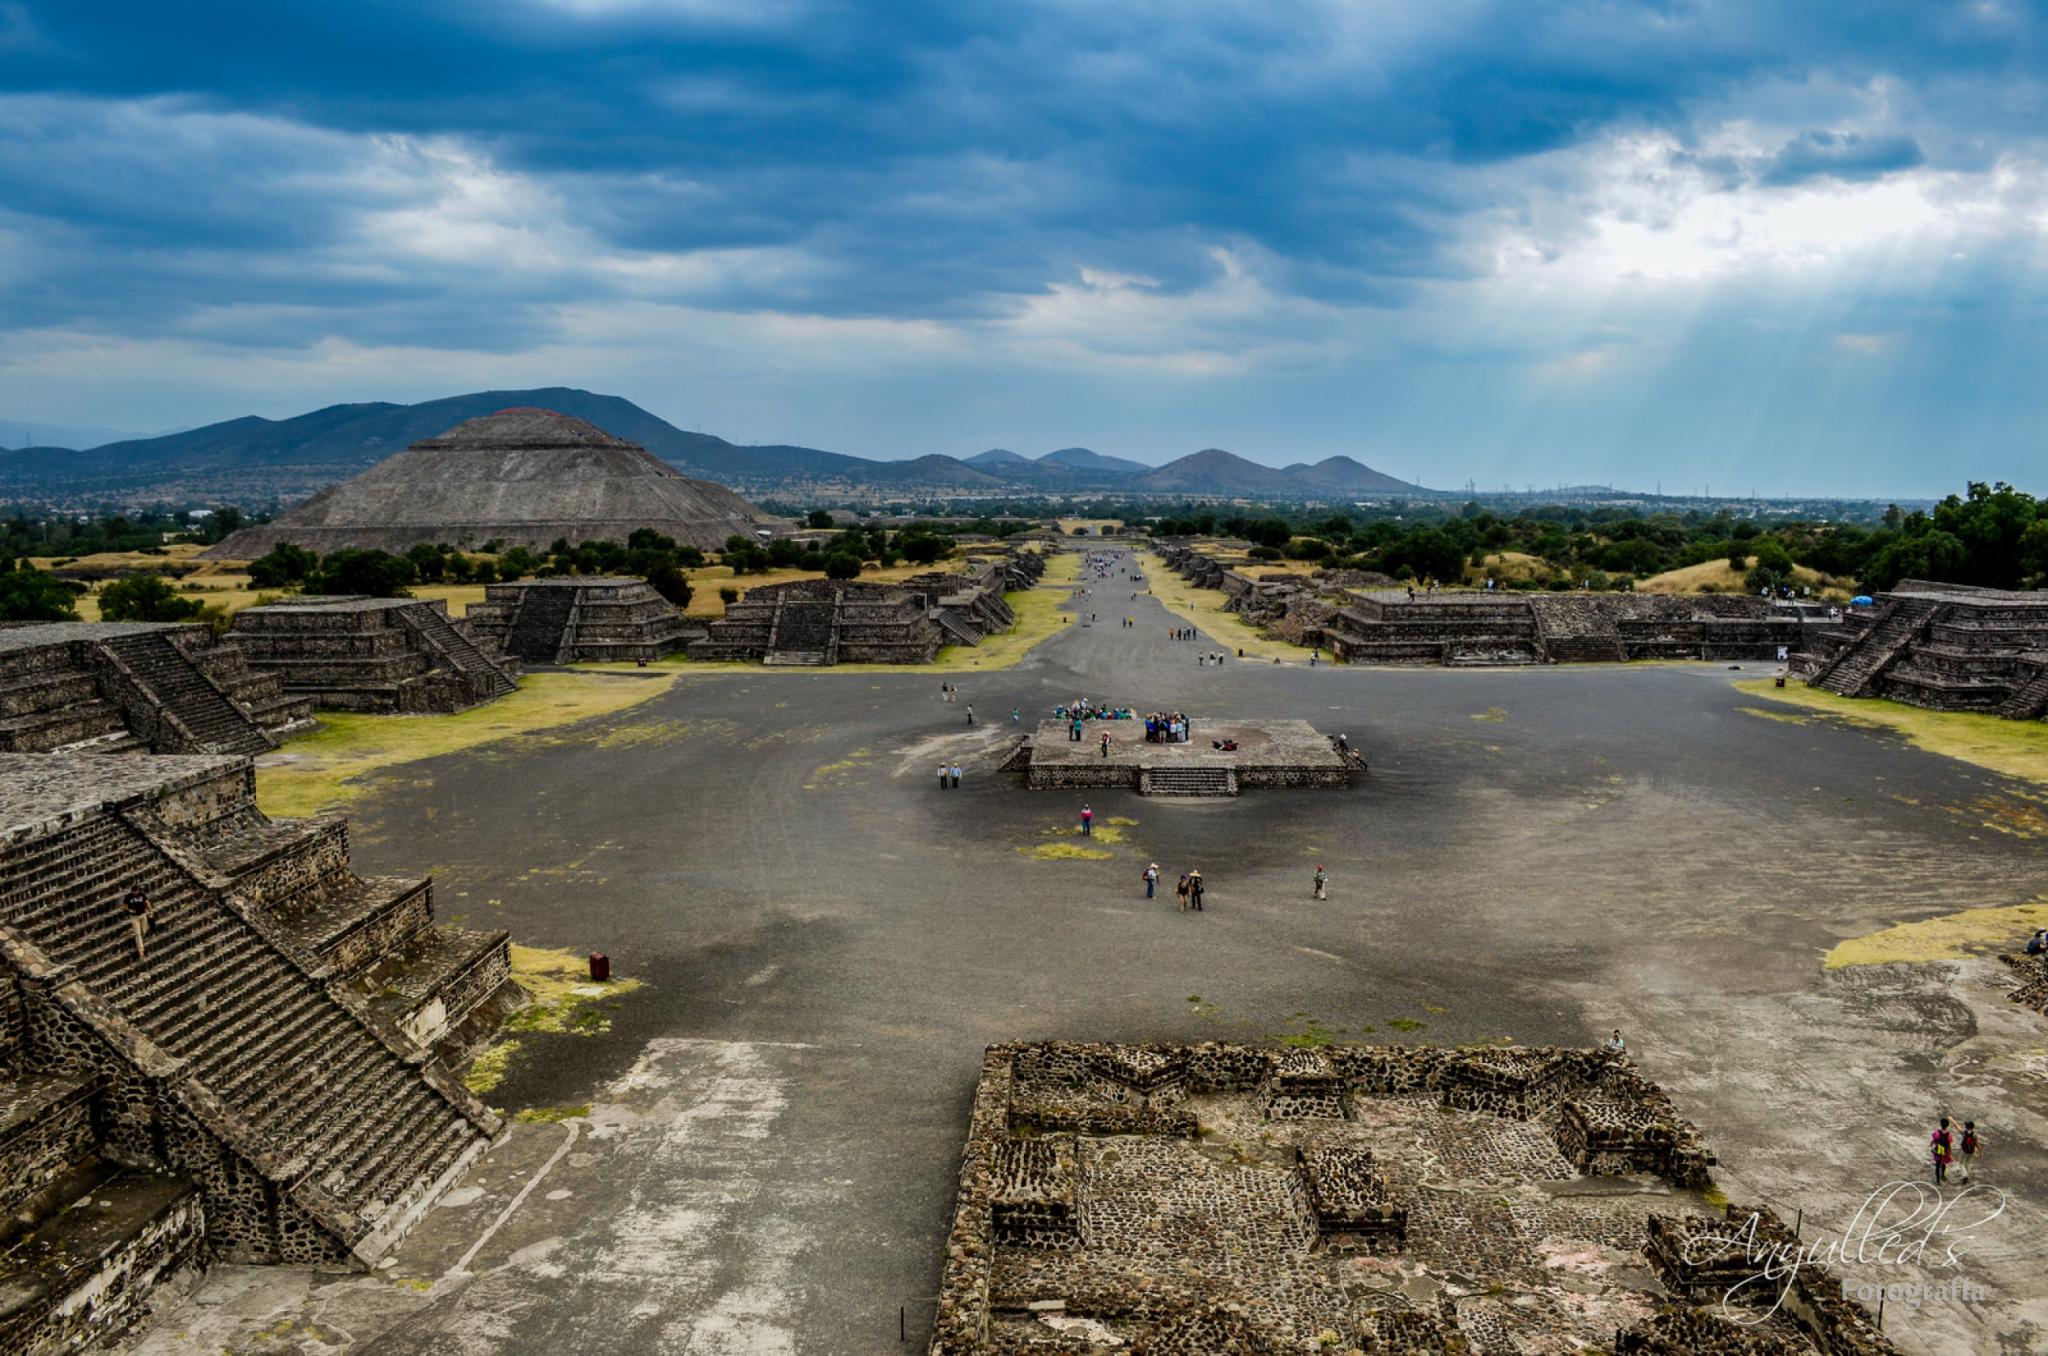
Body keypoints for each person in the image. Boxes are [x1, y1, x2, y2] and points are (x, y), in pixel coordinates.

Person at [123, 884, 153, 960]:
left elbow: (147, 902)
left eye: (137, 891)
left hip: (143, 915)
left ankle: (142, 941)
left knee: (144, 930)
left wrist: (150, 911)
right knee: (137, 934)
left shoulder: (142, 894)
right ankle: (141, 951)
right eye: (135, 891)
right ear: (132, 891)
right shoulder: (128, 897)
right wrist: (129, 910)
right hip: (134, 917)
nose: (136, 892)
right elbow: (125, 905)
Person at [1931, 1116, 1954, 1185]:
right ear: (1947, 1125)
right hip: (1945, 1152)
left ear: (1940, 1124)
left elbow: (1934, 1140)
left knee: (1937, 1165)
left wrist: (1931, 1144)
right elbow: (1949, 1145)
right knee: (1944, 1163)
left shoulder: (1936, 1133)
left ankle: (1938, 1180)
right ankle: (1943, 1175)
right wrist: (1950, 1153)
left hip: (1938, 1151)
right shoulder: (1949, 1135)